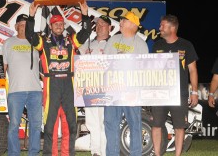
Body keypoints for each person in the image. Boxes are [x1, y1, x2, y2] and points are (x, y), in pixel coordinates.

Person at [25, 1, 92, 156]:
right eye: (55, 24)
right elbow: (29, 35)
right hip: (52, 84)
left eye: (61, 23)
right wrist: (31, 15)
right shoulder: (44, 42)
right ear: (50, 25)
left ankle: (68, 154)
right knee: (50, 125)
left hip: (69, 84)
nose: (59, 26)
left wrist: (85, 14)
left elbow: (86, 32)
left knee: (71, 124)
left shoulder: (71, 41)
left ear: (63, 25)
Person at [151, 14, 198, 156]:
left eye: (162, 25)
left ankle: (178, 155)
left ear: (172, 28)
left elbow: (193, 70)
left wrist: (194, 92)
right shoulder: (157, 45)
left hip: (179, 94)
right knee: (156, 125)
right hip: (159, 93)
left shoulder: (186, 45)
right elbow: (150, 70)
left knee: (179, 127)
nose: (159, 28)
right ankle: (157, 154)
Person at [103, 11, 149, 156]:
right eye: (121, 20)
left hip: (131, 92)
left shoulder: (141, 44)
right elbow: (105, 62)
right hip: (112, 90)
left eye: (124, 20)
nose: (121, 22)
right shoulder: (113, 39)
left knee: (135, 124)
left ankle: (135, 154)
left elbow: (145, 68)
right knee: (110, 124)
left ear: (133, 25)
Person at [1, 13, 42, 156]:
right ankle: (13, 153)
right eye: (21, 24)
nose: (24, 27)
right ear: (16, 26)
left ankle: (34, 153)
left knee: (36, 125)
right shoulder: (8, 43)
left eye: (27, 25)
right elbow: (3, 67)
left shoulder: (37, 42)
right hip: (15, 91)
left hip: (36, 91)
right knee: (13, 125)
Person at [78, 15, 112, 156]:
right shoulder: (87, 44)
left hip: (107, 89)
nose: (99, 26)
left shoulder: (114, 43)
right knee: (92, 122)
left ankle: (104, 152)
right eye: (97, 24)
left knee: (104, 122)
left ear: (110, 28)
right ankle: (95, 152)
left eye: (103, 24)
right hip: (90, 88)